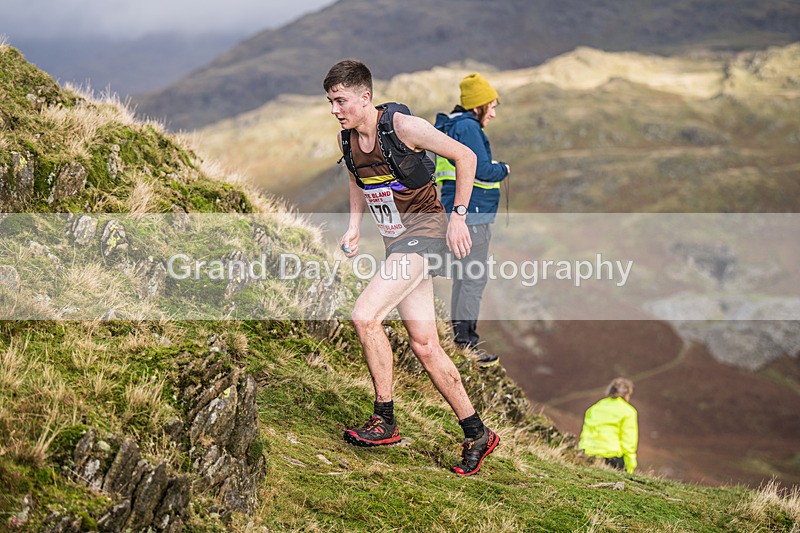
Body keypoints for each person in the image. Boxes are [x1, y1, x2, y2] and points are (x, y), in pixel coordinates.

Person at [323, 59, 500, 476]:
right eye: (330, 101)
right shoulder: (348, 139)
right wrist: (354, 226)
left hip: (426, 233)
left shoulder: (403, 127)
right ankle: (477, 432)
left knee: (365, 316)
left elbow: (465, 156)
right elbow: (356, 178)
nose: (334, 109)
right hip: (397, 242)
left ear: (365, 97)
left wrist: (459, 216)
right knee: (425, 345)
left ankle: (384, 419)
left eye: (341, 100)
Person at [434, 73, 510, 368]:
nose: (493, 113)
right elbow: (481, 170)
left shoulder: (454, 124)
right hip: (471, 215)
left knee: (464, 276)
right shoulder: (468, 127)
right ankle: (466, 343)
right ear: (478, 105)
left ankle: (459, 339)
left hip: (460, 212)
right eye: (491, 106)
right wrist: (503, 168)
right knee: (473, 278)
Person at [578, 377, 638, 474]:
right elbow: (628, 442)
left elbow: (585, 433)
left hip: (588, 454)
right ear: (627, 394)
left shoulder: (594, 408)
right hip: (612, 456)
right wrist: (630, 465)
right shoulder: (628, 411)